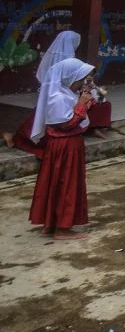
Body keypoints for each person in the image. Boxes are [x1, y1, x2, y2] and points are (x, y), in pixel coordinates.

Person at [28, 58, 96, 240]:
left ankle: (51, 223)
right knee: (66, 183)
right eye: (80, 78)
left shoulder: (64, 93)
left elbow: (75, 114)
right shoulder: (57, 97)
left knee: (56, 182)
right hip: (64, 146)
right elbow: (66, 123)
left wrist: (85, 101)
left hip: (64, 146)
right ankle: (62, 228)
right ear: (69, 77)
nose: (82, 82)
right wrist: (81, 104)